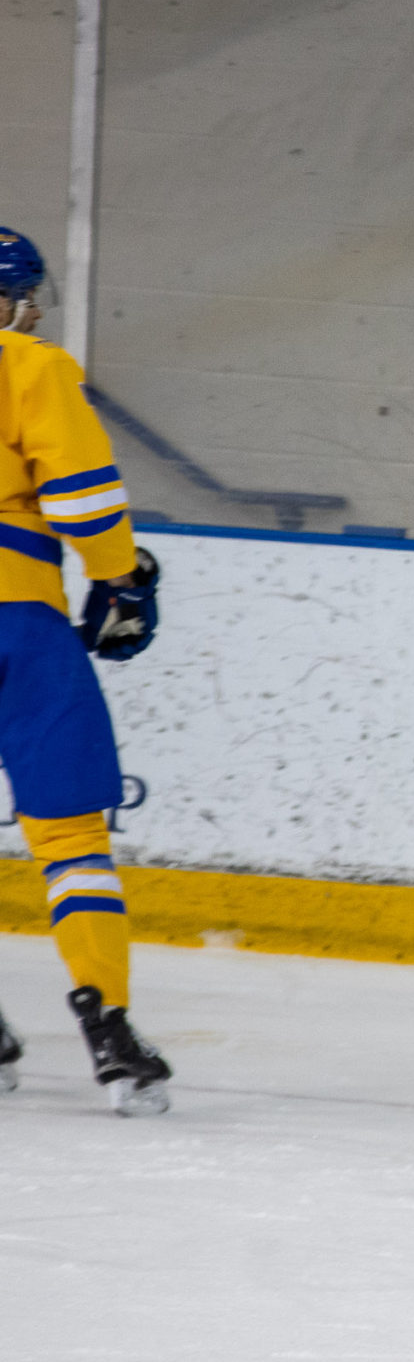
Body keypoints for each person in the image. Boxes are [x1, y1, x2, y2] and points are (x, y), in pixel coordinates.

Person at [0, 228, 169, 1115]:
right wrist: (119, 578)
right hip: (17, 624)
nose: (31, 312)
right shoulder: (27, 366)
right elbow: (82, 497)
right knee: (69, 839)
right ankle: (106, 1023)